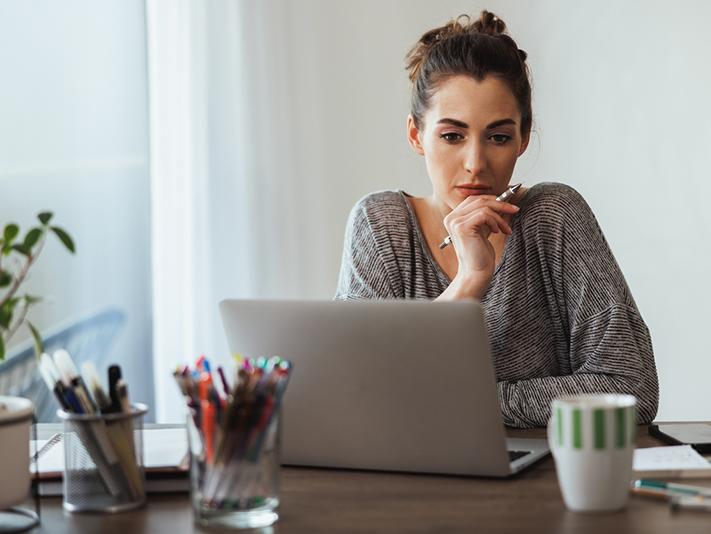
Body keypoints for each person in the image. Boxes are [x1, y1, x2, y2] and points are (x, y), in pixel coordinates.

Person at [334, 10, 659, 428]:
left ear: (523, 137)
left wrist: (459, 400)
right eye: (452, 136)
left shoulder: (554, 216)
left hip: (541, 483)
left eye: (499, 137)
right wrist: (470, 280)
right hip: (410, 483)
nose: (475, 163)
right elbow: (354, 391)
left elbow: (631, 388)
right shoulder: (381, 226)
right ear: (416, 135)